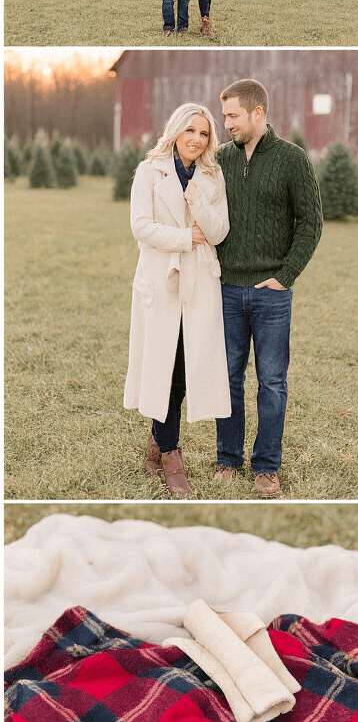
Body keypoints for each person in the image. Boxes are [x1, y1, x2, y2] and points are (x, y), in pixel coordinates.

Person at [214, 78, 323, 498]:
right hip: (225, 289)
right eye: (224, 116)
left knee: (272, 381)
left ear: (258, 113)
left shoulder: (292, 159)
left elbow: (311, 223)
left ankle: (266, 468)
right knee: (228, 378)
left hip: (271, 293)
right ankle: (228, 459)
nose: (226, 124)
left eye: (233, 116)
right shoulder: (220, 159)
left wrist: (286, 275)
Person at [123, 103, 231, 499]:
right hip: (161, 280)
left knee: (186, 369)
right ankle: (170, 456)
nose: (196, 140)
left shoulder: (212, 175)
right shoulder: (149, 171)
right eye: (190, 131)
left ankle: (156, 440)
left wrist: (198, 201)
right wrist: (185, 237)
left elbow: (218, 232)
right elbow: (140, 227)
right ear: (176, 131)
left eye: (204, 134)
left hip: (200, 281)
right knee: (162, 367)